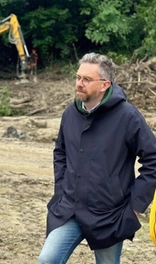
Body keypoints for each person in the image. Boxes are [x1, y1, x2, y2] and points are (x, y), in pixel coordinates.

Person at [38, 53, 156, 263]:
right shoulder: (70, 113)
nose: (79, 84)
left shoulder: (127, 116)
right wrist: (61, 190)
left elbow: (153, 159)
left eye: (86, 79)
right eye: (78, 77)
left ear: (104, 85)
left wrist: (136, 205)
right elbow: (60, 152)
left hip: (110, 215)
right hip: (70, 209)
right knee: (47, 259)